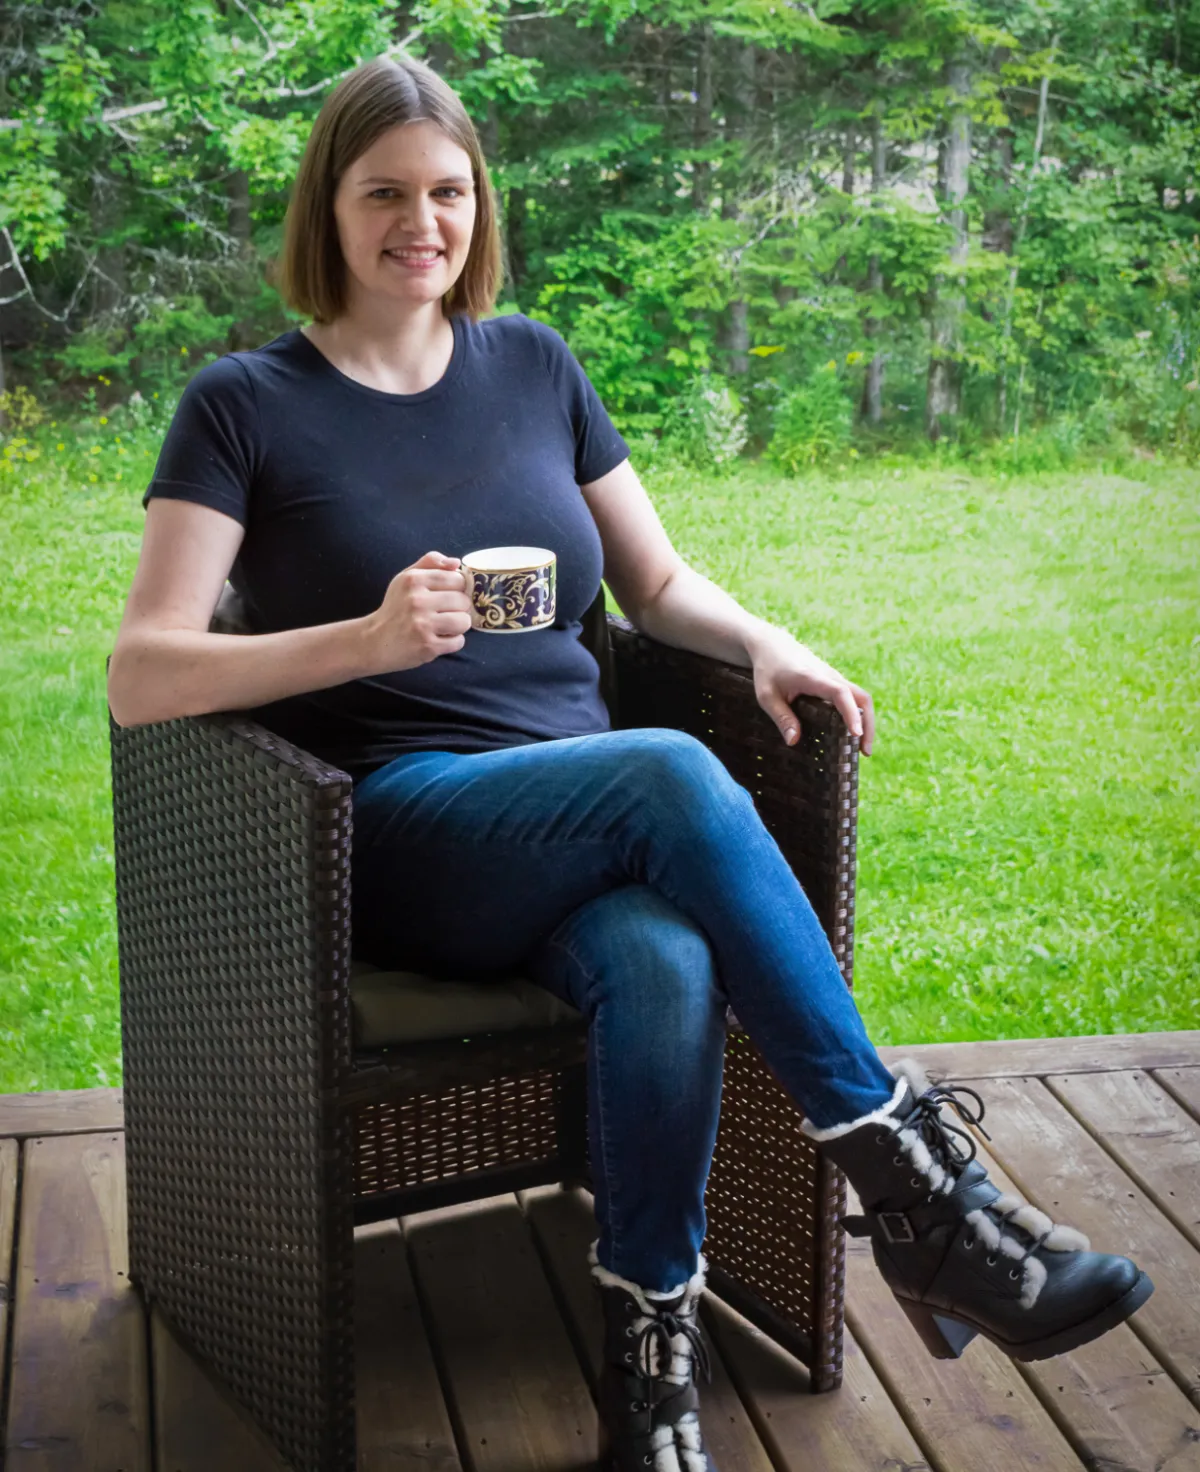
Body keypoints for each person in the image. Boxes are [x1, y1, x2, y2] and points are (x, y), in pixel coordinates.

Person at [106, 52, 1154, 1472]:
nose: (422, 222)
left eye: (448, 191)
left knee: (662, 957)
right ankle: (918, 1189)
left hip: (586, 817)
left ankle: (651, 1377)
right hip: (399, 832)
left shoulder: (534, 364)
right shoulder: (244, 404)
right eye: (384, 194)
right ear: (327, 209)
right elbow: (144, 671)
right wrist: (358, 642)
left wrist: (765, 640)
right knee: (665, 771)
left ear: (480, 204)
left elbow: (654, 587)